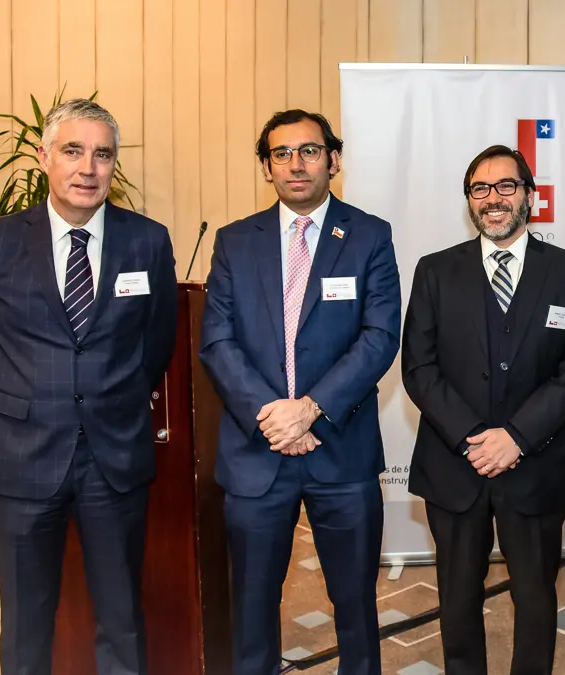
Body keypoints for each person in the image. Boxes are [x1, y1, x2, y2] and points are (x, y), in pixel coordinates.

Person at [0, 99, 177, 675]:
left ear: (114, 164)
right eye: (73, 151)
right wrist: (11, 409)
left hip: (113, 459)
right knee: (26, 622)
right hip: (23, 459)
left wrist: (112, 401)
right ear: (45, 156)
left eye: (102, 154)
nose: (87, 168)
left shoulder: (147, 241)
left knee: (121, 618)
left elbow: (156, 342)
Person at [199, 109, 401, 675]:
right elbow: (216, 340)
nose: (296, 163)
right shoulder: (235, 241)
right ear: (267, 167)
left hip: (341, 449)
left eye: (309, 150)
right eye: (281, 153)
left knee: (355, 604)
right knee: (252, 604)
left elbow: (380, 337)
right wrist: (273, 416)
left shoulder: (370, 235)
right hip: (257, 450)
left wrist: (310, 410)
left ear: (333, 160)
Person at [402, 145, 565, 675]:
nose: (493, 199)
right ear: (469, 200)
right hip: (455, 464)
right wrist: (473, 437)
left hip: (537, 464)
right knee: (457, 599)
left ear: (529, 196)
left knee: (535, 598)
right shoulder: (435, 271)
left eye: (506, 186)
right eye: (480, 189)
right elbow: (419, 367)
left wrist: (515, 437)